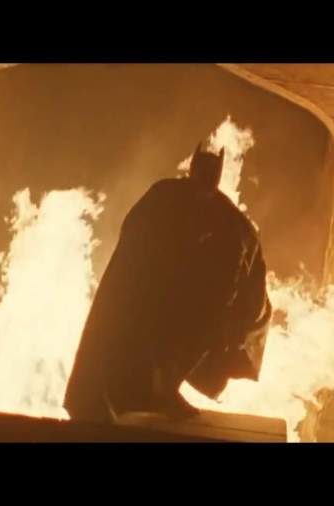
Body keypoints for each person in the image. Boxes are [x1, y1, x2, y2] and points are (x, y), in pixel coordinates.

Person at [64, 143, 272, 422]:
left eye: (211, 175)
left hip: (191, 301)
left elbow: (242, 266)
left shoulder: (230, 223)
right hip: (145, 288)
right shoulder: (163, 196)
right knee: (120, 334)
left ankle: (163, 389)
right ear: (192, 170)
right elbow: (134, 236)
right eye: (201, 173)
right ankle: (119, 393)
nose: (204, 183)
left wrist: (231, 322)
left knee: (197, 326)